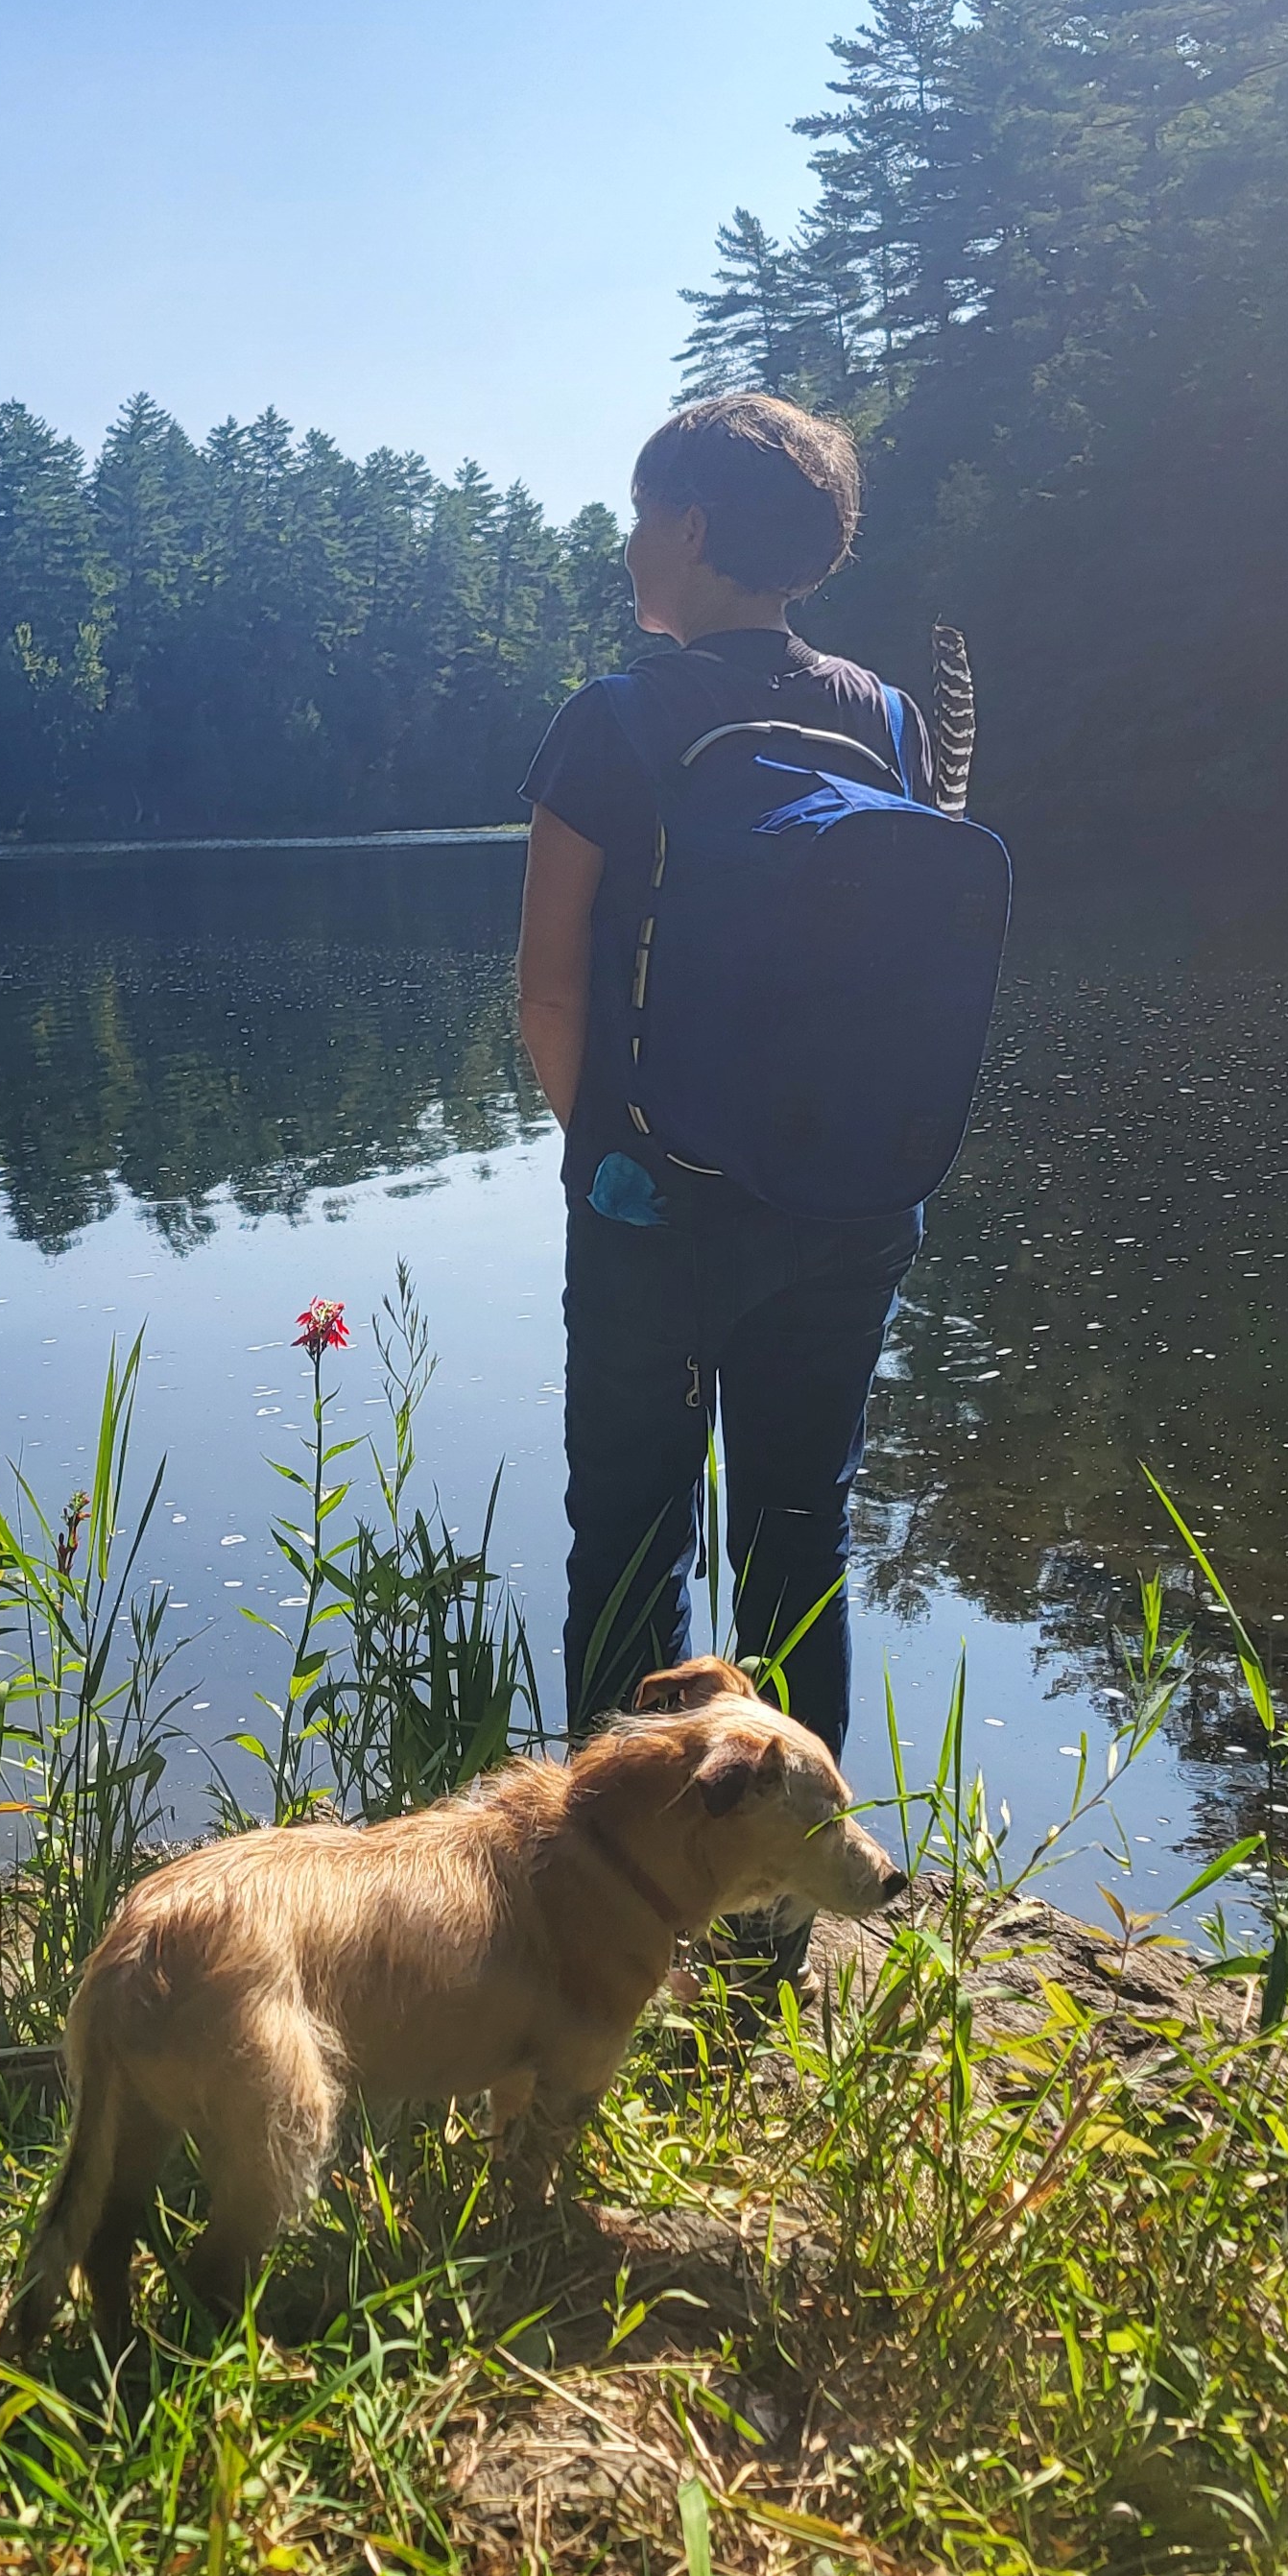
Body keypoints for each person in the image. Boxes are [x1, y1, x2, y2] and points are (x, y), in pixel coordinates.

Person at [514, 393, 927, 1767]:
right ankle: (779, 1913)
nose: (632, 545)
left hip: (656, 1204)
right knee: (799, 1531)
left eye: (642, 517)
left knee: (632, 1537)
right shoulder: (886, 718)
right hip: (851, 1198)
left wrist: (617, 1164)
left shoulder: (614, 722)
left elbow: (551, 987)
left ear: (689, 528)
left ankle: (621, 1892)